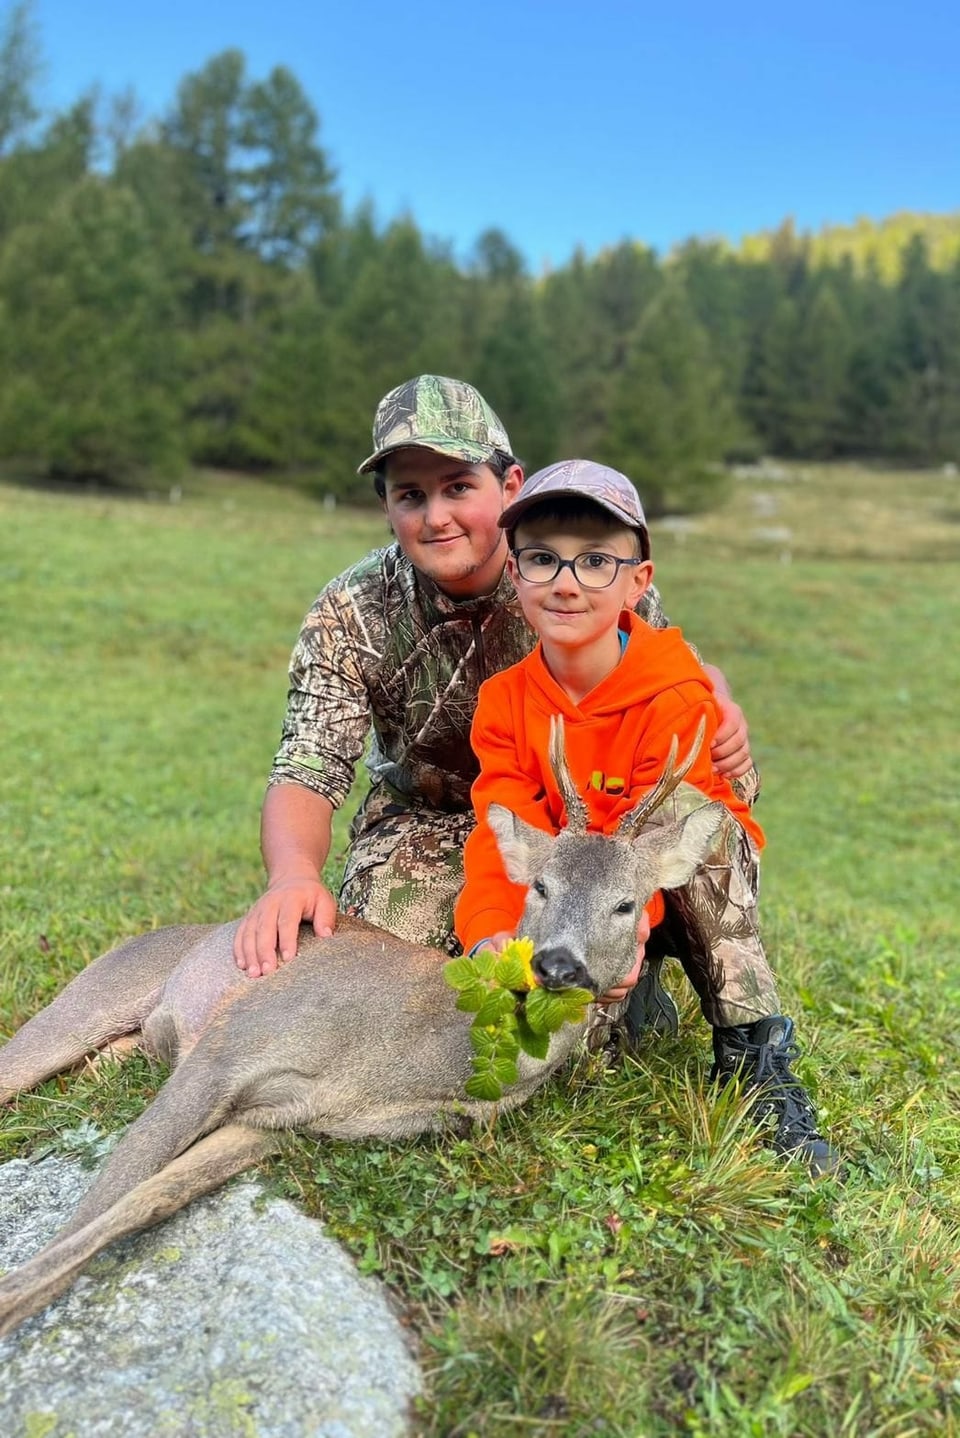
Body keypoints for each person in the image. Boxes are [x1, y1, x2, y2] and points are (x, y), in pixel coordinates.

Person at [233, 375, 753, 1010]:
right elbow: (307, 763)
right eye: (410, 495)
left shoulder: (574, 573)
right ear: (387, 507)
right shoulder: (354, 609)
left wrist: (720, 704)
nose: (436, 516)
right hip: (429, 821)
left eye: (458, 487)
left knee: (701, 812)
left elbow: (668, 660)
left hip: (583, 822)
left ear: (510, 487)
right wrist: (292, 876)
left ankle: (660, 980)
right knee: (393, 969)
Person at [453, 458, 836, 1174]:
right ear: (517, 576)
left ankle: (755, 1053)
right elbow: (502, 833)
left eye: (596, 561)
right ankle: (640, 996)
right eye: (542, 560)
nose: (567, 582)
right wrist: (490, 941)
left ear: (640, 581)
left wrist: (634, 937)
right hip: (587, 900)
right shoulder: (504, 702)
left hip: (675, 880)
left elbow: (663, 854)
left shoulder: (673, 699)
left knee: (700, 827)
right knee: (562, 1054)